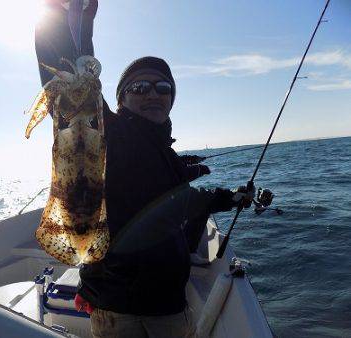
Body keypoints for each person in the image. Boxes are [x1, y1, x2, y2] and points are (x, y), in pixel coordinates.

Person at [35, 1, 254, 337]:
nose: (153, 94)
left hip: (167, 304)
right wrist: (65, 19)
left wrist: (229, 196)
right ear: (120, 100)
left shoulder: (162, 151)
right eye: (140, 88)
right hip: (126, 314)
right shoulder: (114, 133)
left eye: (163, 88)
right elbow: (71, 84)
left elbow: (183, 195)